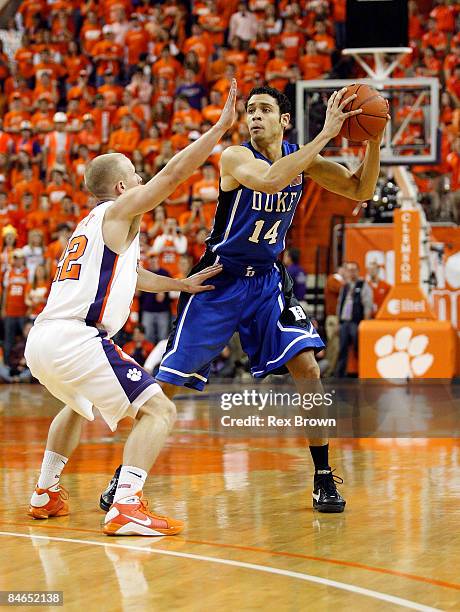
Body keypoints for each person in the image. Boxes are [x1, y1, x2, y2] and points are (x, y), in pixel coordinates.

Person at [101, 85, 387, 513]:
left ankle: (323, 476)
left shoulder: (301, 158)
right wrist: (327, 134)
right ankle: (125, 477)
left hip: (267, 283)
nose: (254, 116)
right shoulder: (235, 157)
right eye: (250, 110)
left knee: (308, 368)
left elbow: (360, 190)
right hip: (219, 282)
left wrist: (375, 140)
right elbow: (271, 181)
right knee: (168, 385)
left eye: (265, 110)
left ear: (283, 121)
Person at [25, 80, 238, 536]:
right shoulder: (119, 211)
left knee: (76, 405)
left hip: (42, 340)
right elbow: (173, 175)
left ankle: (45, 492)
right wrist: (219, 128)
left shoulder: (92, 227)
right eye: (137, 176)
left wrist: (180, 283)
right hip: (77, 339)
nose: (144, 180)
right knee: (160, 411)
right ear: (123, 187)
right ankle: (127, 504)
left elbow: (134, 276)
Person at [335, 262, 373, 378]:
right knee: (342, 349)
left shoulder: (363, 285)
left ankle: (364, 372)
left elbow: (367, 305)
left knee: (359, 349)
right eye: (349, 270)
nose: (351, 272)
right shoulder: (345, 287)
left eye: (354, 270)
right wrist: (338, 322)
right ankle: (340, 375)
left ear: (358, 271)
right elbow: (340, 304)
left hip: (356, 322)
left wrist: (365, 324)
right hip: (344, 322)